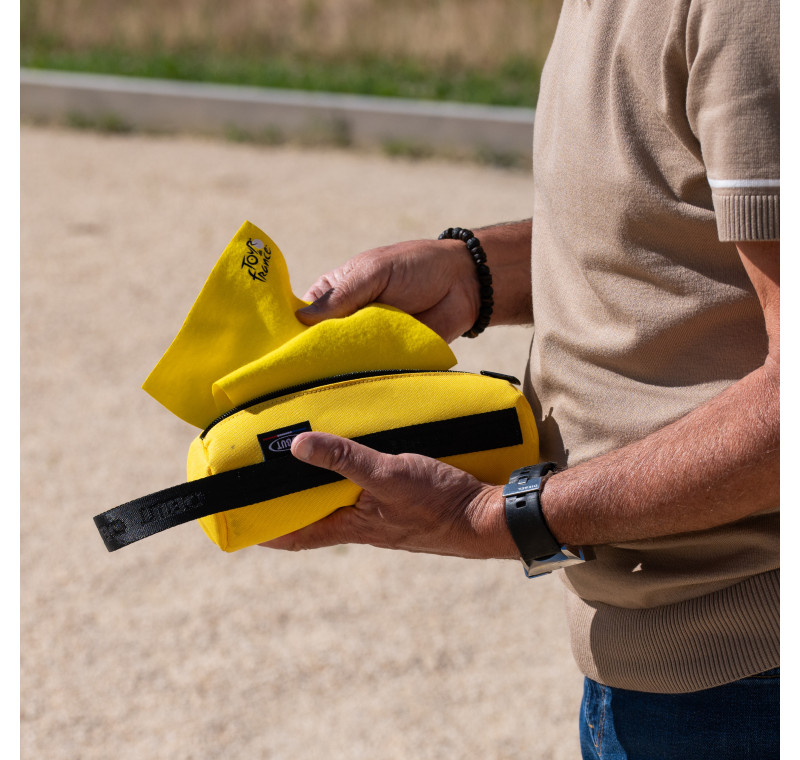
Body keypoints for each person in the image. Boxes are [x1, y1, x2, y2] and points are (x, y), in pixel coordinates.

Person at [263, 0, 780, 756]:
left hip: (749, 679)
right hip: (654, 652)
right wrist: (476, 273)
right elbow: (677, 225)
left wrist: (496, 518)